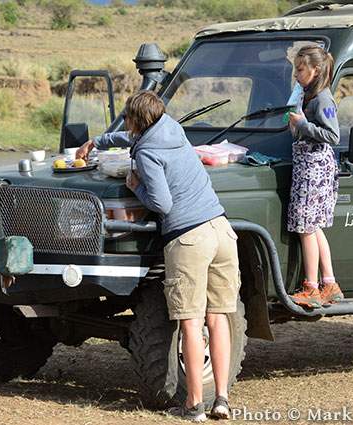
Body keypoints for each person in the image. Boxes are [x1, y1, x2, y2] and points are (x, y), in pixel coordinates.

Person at [79, 91, 239, 422]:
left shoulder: (149, 153)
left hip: (189, 237)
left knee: (191, 321)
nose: (126, 124)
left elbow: (162, 203)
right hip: (221, 229)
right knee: (219, 316)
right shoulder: (172, 130)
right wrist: (98, 141)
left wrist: (135, 183)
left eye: (127, 118)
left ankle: (193, 405)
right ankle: (221, 398)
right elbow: (129, 136)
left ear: (137, 121)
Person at [286, 46, 344, 308]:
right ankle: (329, 283)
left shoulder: (323, 100)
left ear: (316, 69)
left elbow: (333, 135)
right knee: (315, 226)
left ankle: (311, 286)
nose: (296, 75)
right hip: (306, 165)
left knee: (306, 227)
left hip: (314, 168)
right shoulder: (308, 97)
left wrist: (303, 126)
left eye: (300, 69)